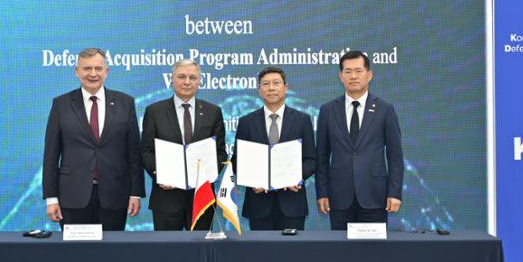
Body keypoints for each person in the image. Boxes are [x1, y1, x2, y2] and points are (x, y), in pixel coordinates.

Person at [42, 48, 144, 230]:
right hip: (72, 196)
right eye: (87, 68)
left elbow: (134, 152)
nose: (93, 73)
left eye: (98, 68)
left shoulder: (125, 102)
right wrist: (51, 198)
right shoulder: (61, 104)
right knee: (76, 255)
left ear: (106, 71)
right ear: (77, 71)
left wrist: (135, 193)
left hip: (115, 195)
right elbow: (51, 154)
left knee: (111, 254)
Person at [315, 51, 404, 229]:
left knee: (373, 253)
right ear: (341, 76)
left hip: (375, 195)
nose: (353, 76)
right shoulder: (328, 110)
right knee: (340, 252)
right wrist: (322, 193)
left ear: (369, 75)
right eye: (347, 72)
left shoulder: (385, 109)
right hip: (339, 197)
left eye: (358, 71)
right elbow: (322, 156)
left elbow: (395, 156)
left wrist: (395, 193)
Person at [141, 59, 227, 231]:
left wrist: (206, 174)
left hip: (201, 197)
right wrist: (160, 174)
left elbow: (220, 153)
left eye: (192, 77)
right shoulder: (154, 111)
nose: (187, 82)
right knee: (167, 252)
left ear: (199, 81)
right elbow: (146, 151)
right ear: (171, 79)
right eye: (181, 77)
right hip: (166, 198)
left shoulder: (213, 112)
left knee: (201, 252)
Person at [231, 66, 316, 230]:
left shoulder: (302, 120)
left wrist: (296, 176)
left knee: (291, 254)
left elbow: (311, 160)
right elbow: (237, 161)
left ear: (285, 87)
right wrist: (253, 180)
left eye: (276, 83)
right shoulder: (246, 122)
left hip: (292, 204)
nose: (271, 88)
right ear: (259, 90)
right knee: (261, 254)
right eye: (266, 84)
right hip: (258, 204)